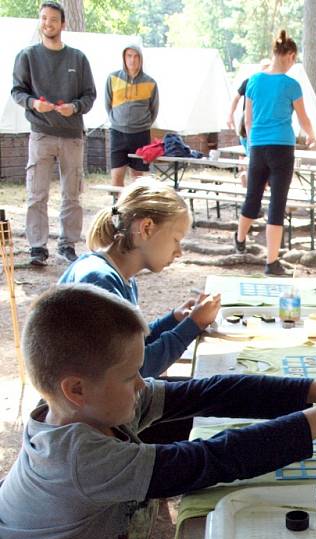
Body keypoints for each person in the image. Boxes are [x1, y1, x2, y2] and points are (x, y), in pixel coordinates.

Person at [0, 283, 316, 539]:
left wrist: (312, 390)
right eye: (131, 376)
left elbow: (208, 392)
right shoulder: (79, 460)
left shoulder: (90, 408)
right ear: (77, 388)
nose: (142, 384)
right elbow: (208, 460)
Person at [59, 178, 221, 379]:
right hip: (88, 408)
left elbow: (134, 346)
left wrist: (174, 319)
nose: (179, 252)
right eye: (176, 240)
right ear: (146, 228)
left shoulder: (122, 278)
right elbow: (135, 370)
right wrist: (193, 325)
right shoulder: (98, 281)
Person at [11, 1, 97, 266]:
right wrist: (34, 103)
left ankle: (67, 244)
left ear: (63, 24)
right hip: (40, 134)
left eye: (53, 19)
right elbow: (17, 91)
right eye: (44, 18)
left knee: (72, 193)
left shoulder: (78, 58)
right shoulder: (27, 56)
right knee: (36, 193)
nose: (47, 23)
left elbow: (90, 95)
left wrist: (75, 107)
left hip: (72, 134)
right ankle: (37, 247)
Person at [235, 31, 316, 276]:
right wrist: (312, 136)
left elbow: (247, 120)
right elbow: (303, 120)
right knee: (277, 202)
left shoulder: (253, 81)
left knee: (253, 196)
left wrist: (251, 147)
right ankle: (271, 263)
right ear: (290, 56)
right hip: (282, 148)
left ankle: (240, 238)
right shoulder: (291, 85)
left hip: (258, 147)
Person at [105, 43, 159, 186]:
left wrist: (142, 123)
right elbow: (107, 104)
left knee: (138, 179)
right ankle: (117, 208)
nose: (132, 60)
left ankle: (136, 208)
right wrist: (117, 120)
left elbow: (154, 109)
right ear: (124, 58)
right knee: (116, 176)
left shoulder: (150, 82)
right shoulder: (112, 78)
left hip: (140, 134)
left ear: (140, 59)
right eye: (129, 56)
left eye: (136, 56)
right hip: (117, 133)